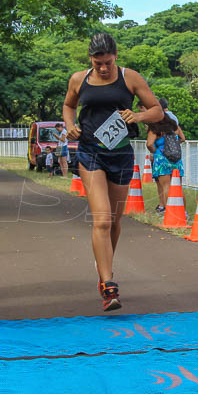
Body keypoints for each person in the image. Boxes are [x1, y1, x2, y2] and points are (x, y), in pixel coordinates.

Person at [63, 32, 162, 312]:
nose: (103, 68)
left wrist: (138, 116)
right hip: (90, 152)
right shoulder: (78, 79)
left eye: (107, 62)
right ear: (90, 60)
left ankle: (103, 267)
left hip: (120, 153)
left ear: (115, 56)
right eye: (98, 64)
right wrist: (69, 124)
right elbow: (69, 105)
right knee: (103, 220)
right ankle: (108, 285)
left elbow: (157, 111)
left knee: (116, 222)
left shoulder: (130, 78)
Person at [147, 97, 186, 213]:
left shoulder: (155, 127)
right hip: (176, 159)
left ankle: (170, 212)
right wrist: (173, 145)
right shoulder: (174, 126)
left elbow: (149, 144)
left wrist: (157, 150)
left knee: (166, 186)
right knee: (178, 187)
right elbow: (183, 138)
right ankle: (183, 212)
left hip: (161, 158)